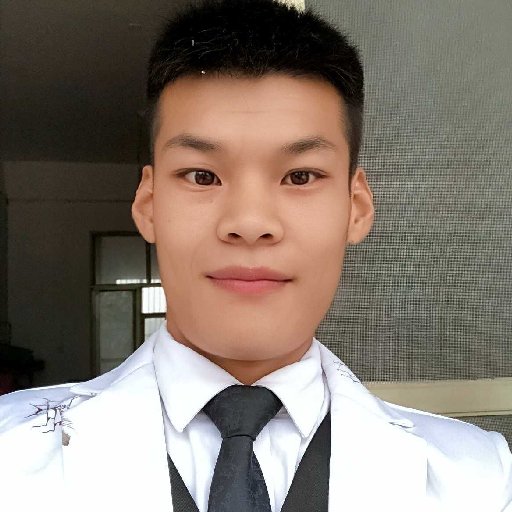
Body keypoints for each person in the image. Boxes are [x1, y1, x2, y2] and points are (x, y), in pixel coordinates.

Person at [0, 0, 511, 510]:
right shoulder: (10, 452)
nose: (249, 223)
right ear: (148, 204)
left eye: (300, 176)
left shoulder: (484, 477)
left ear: (355, 207)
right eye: (202, 176)